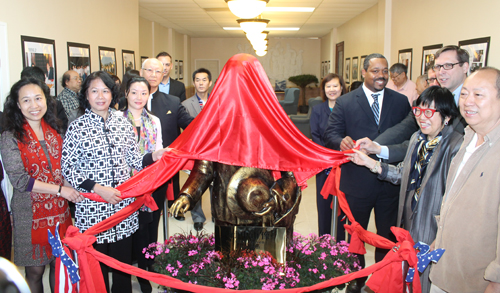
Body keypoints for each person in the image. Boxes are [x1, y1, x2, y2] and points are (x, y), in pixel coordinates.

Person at [347, 86, 463, 292]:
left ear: (446, 116)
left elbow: (456, 199)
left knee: (426, 280)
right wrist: (369, 163)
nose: (421, 118)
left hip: (434, 228)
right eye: (418, 111)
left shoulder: (455, 146)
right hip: (409, 222)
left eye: (429, 112)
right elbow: (402, 175)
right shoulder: (417, 140)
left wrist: (442, 234)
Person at [61, 71, 167, 293]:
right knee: (96, 268)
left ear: (113, 94)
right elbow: (68, 169)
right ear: (86, 96)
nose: (100, 96)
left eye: (105, 91)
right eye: (94, 91)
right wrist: (99, 190)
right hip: (92, 211)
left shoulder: (122, 123)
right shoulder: (77, 127)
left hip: (121, 208)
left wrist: (152, 157)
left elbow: (134, 160)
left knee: (122, 268)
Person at [323, 53, 411, 293]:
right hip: (357, 182)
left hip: (389, 184)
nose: (381, 76)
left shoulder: (401, 101)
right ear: (364, 72)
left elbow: (406, 137)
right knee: (355, 235)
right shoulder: (347, 102)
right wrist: (340, 140)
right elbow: (330, 133)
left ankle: (383, 282)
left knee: (387, 235)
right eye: (375, 71)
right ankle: (356, 280)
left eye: (384, 71)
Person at [0, 78, 83, 293]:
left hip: (60, 213)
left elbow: (66, 168)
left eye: (38, 98)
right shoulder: (10, 137)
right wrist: (60, 190)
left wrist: (69, 186)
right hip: (29, 214)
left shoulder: (57, 131)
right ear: (17, 105)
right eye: (26, 100)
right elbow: (20, 180)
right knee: (35, 272)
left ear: (46, 100)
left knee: (59, 265)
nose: (34, 105)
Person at [429, 67, 500, 293]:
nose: (468, 101)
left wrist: (496, 280)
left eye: (478, 95)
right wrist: (438, 240)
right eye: (465, 93)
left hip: (478, 280)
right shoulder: (466, 138)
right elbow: (452, 197)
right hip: (444, 268)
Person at [374, 46, 469, 163]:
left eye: (448, 66)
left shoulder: (476, 101)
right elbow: (404, 129)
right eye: (438, 67)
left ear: (465, 67)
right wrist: (375, 145)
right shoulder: (428, 100)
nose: (441, 72)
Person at [120, 76, 163, 293]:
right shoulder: (116, 119)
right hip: (122, 189)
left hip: (147, 189)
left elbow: (158, 152)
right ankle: (123, 279)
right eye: (134, 92)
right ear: (126, 93)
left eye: (144, 93)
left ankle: (145, 279)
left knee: (145, 235)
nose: (139, 97)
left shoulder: (154, 121)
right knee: (125, 238)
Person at [141, 58, 193, 221]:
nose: (153, 75)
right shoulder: (128, 101)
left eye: (158, 71)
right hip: (136, 168)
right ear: (141, 72)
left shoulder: (172, 101)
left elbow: (191, 125)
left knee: (155, 214)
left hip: (164, 166)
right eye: (149, 70)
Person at [309, 73, 347, 238]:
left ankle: (340, 244)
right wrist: (329, 156)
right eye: (328, 86)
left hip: (344, 165)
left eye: (335, 86)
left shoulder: (348, 109)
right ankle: (324, 243)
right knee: (324, 205)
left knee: (342, 206)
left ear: (341, 88)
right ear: (324, 90)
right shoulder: (317, 110)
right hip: (324, 164)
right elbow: (315, 135)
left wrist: (340, 155)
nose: (332, 90)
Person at [181, 68, 212, 231]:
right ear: (193, 83)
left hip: (214, 150)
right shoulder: (185, 105)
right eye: (198, 80)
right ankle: (198, 217)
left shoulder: (217, 102)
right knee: (196, 183)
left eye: (204, 80)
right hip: (195, 151)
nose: (201, 83)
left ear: (210, 82)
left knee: (216, 185)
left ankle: (217, 214)